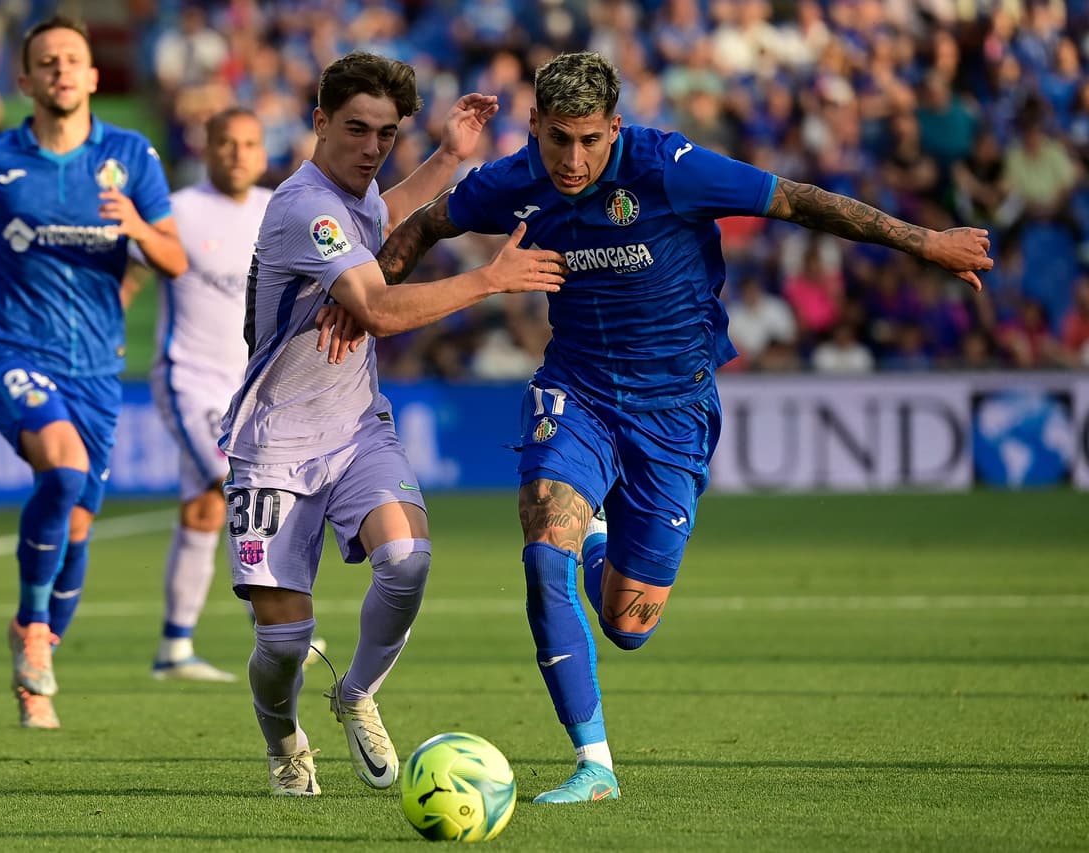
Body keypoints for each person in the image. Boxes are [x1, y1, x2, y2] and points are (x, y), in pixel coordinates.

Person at [372, 51, 992, 803]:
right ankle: (594, 764)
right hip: (578, 391)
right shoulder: (513, 180)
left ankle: (598, 535)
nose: (572, 159)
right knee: (543, 551)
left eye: (590, 140)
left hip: (675, 411)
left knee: (629, 623)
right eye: (557, 138)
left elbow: (796, 200)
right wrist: (353, 305)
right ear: (533, 126)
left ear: (616, 128)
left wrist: (922, 242)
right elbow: (422, 227)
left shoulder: (670, 168)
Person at [218, 50, 565, 797]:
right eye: (356, 129)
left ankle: (355, 693)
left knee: (406, 559)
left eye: (386, 134)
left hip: (355, 431)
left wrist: (447, 157)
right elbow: (375, 309)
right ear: (318, 122)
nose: (372, 148)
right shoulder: (302, 206)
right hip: (274, 447)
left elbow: (388, 215)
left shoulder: (355, 196)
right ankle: (284, 740)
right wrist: (490, 278)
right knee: (281, 645)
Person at [0, 15, 187, 729]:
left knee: (75, 528)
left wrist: (135, 226)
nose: (62, 70)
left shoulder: (131, 156)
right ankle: (33, 628)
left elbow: (175, 260)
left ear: (95, 76)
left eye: (74, 59)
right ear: (25, 80)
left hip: (98, 369)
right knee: (62, 470)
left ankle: (38, 657)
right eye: (47, 61)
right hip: (11, 349)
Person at [121, 107, 326, 682]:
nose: (238, 153)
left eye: (249, 143)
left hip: (253, 387)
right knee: (238, 486)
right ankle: (277, 625)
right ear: (207, 148)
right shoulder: (179, 212)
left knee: (207, 508)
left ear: (264, 152)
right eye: (226, 143)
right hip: (189, 377)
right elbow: (132, 275)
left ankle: (174, 648)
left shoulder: (277, 210)